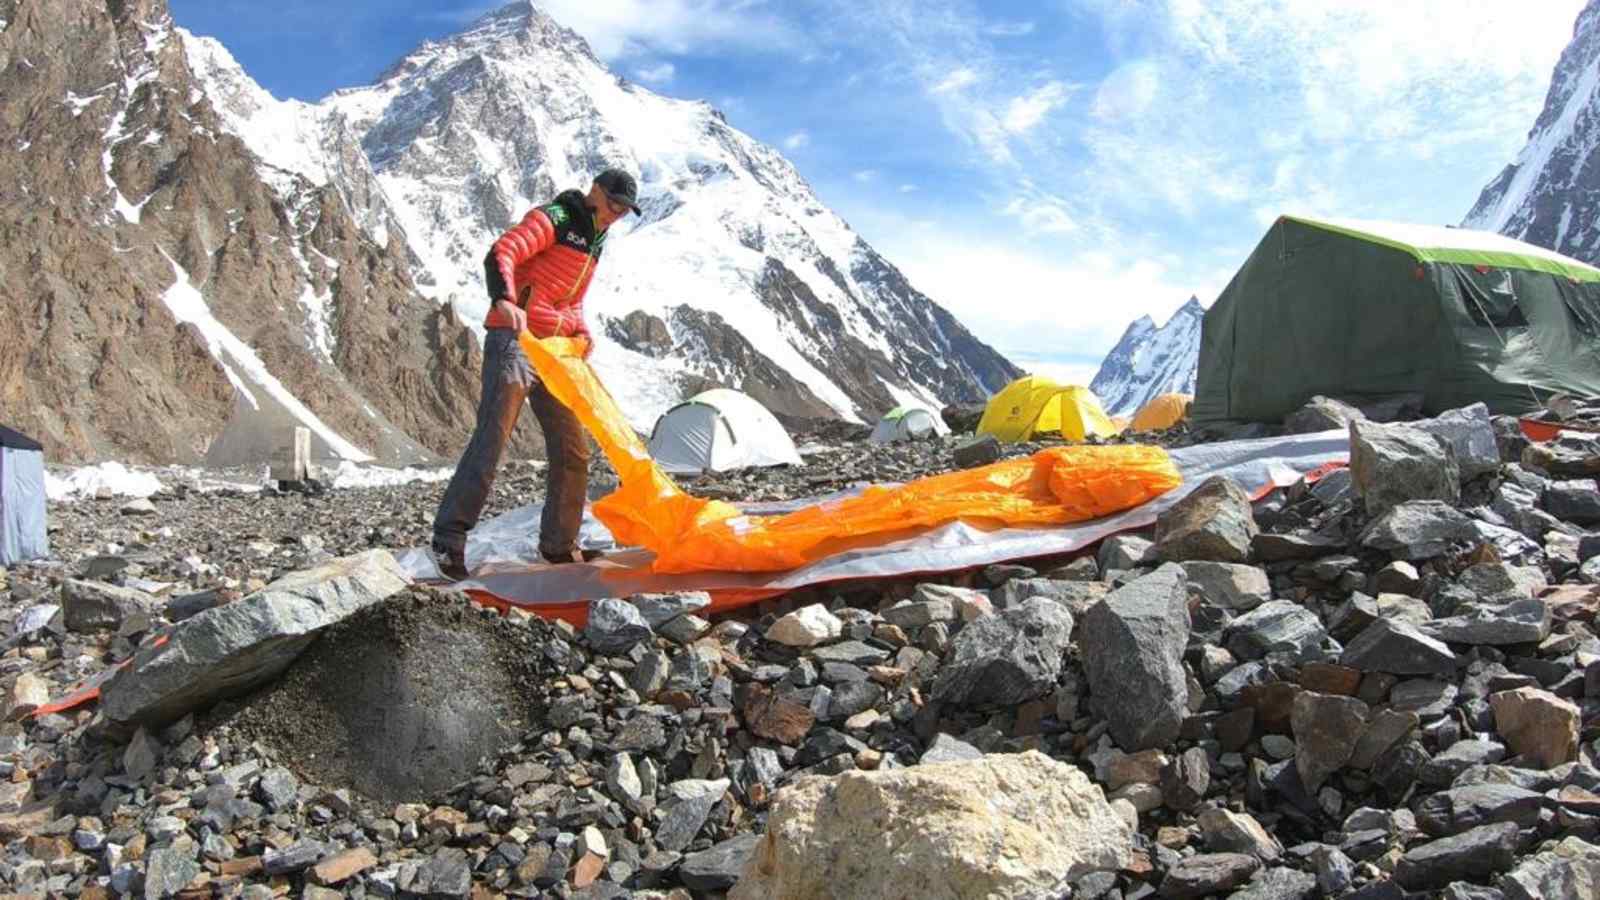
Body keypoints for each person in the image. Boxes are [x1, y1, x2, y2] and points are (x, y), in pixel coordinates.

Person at [430, 168, 641, 580]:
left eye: (624, 210)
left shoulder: (597, 240)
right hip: (515, 339)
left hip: (555, 352)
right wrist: (504, 299)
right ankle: (448, 540)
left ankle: (559, 546)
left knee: (572, 448)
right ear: (595, 191)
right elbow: (502, 252)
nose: (616, 214)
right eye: (613, 203)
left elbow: (572, 299)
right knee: (493, 438)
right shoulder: (556, 218)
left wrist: (580, 329)